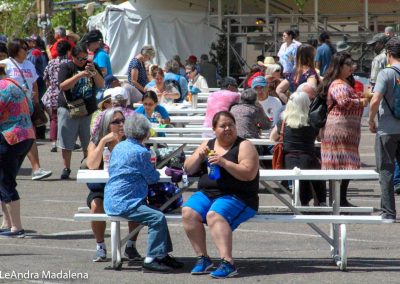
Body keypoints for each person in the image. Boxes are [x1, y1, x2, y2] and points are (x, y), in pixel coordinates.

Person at [182, 111, 259, 278]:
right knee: (188, 211)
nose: (227, 128)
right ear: (214, 129)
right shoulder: (208, 144)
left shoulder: (244, 145)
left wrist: (223, 162)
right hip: (208, 193)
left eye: (231, 125)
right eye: (222, 126)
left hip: (238, 195)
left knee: (214, 214)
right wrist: (198, 156)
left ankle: (227, 262)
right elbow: (188, 169)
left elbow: (248, 174)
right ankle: (203, 258)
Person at [104, 114, 183, 273]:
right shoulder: (142, 152)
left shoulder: (119, 146)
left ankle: (161, 254)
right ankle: (151, 258)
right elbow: (152, 178)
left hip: (113, 198)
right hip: (126, 202)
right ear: (145, 133)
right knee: (157, 217)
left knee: (157, 214)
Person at [86, 108, 141, 261]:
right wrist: (104, 141)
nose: (121, 124)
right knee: (96, 205)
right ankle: (100, 246)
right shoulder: (96, 141)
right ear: (106, 124)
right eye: (116, 122)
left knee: (137, 201)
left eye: (123, 121)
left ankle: (130, 245)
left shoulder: (131, 141)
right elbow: (91, 165)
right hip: (102, 188)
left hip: (125, 187)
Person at [319, 52, 369, 207]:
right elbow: (344, 102)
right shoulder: (338, 84)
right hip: (339, 130)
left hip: (347, 130)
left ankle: (340, 199)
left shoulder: (344, 82)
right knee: (341, 163)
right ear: (340, 66)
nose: (351, 67)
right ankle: (338, 200)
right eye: (348, 64)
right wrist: (362, 102)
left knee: (345, 163)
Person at [0, 38, 52, 181]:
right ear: (15, 49)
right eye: (23, 47)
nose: (26, 50)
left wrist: (35, 100)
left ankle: (36, 168)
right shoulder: (5, 64)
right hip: (10, 107)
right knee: (23, 136)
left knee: (29, 135)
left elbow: (34, 82)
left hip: (27, 105)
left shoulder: (29, 63)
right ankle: (31, 168)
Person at [270, 92, 326, 206]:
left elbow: (272, 138)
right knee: (317, 174)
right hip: (308, 157)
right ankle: (321, 201)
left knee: (301, 176)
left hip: (288, 159)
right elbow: (320, 138)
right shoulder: (312, 121)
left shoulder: (283, 122)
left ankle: (302, 201)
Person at [58, 44, 104, 179]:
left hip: (88, 109)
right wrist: (80, 75)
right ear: (72, 57)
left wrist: (94, 73)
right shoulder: (66, 67)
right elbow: (63, 86)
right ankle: (66, 167)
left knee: (88, 140)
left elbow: (101, 84)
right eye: (80, 59)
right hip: (69, 108)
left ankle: (87, 163)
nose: (83, 61)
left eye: (85, 58)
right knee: (67, 140)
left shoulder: (92, 65)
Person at [368, 37, 400, 221]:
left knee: (386, 170)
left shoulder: (386, 73)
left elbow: (375, 98)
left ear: (388, 54)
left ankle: (388, 212)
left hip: (387, 128)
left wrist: (371, 120)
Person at [0, 77, 35, 237]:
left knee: (6, 182)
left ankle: (16, 227)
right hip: (26, 135)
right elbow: (31, 107)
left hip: (9, 138)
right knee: (4, 181)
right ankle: (7, 222)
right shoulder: (13, 83)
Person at [42, 40, 71, 153]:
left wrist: (51, 86)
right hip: (67, 93)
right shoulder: (69, 63)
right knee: (68, 118)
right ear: (68, 51)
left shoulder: (51, 62)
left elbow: (45, 77)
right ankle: (67, 142)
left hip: (53, 92)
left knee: (54, 118)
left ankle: (53, 142)